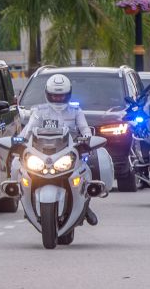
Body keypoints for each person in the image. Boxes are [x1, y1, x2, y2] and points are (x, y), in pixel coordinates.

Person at [16, 74, 103, 225]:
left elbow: (84, 129)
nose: (58, 99)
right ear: (47, 94)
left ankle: (86, 204)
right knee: (17, 165)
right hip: (42, 152)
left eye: (61, 96)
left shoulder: (76, 111)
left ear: (68, 94)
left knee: (87, 168)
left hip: (69, 152)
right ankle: (22, 198)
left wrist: (87, 139)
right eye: (55, 96)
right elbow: (28, 130)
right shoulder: (39, 111)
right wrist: (18, 140)